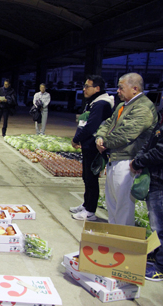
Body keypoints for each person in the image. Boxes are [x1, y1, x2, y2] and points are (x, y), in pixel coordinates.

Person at [95, 72, 157, 225]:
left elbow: (126, 134)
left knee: (123, 207)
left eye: (121, 88)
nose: (118, 91)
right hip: (115, 158)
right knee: (112, 203)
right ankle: (114, 237)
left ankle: (122, 243)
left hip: (128, 161)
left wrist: (105, 143)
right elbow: (107, 123)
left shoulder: (143, 108)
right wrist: (99, 137)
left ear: (135, 88)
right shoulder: (124, 106)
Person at [130, 93, 163, 281]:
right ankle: (158, 253)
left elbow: (161, 152)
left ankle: (162, 267)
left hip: (162, 179)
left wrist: (139, 161)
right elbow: (149, 143)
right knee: (156, 222)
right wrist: (140, 158)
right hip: (156, 176)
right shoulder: (162, 118)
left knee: (161, 224)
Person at [70, 75, 114, 220]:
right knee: (86, 177)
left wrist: (77, 139)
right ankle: (86, 204)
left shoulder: (101, 104)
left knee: (91, 178)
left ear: (97, 88)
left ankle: (90, 211)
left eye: (87, 86)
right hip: (88, 145)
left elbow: (91, 126)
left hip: (95, 147)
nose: (84, 89)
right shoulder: (93, 102)